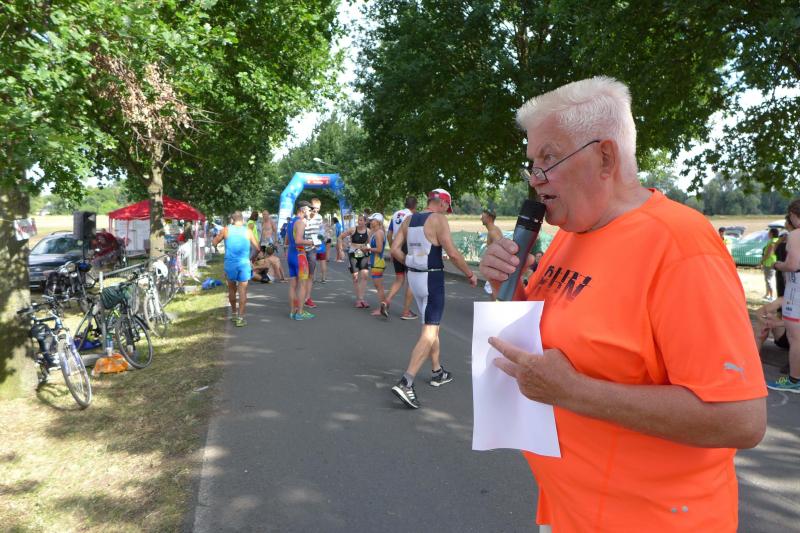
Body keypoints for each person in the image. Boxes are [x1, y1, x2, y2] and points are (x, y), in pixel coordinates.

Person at [479, 77, 766, 531]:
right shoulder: (570, 233)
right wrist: (505, 284)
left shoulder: (680, 245)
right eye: (532, 163)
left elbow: (741, 420)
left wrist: (575, 392)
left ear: (606, 157)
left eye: (549, 159)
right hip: (566, 511)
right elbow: (544, 338)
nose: (535, 178)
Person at [390, 188, 478, 409]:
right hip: (432, 279)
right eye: (448, 208)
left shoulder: (409, 219)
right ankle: (406, 382)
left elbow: (394, 249)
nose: (447, 212)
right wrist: (470, 274)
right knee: (429, 331)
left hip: (415, 278)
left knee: (431, 326)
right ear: (443, 204)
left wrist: (410, 261)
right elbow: (453, 254)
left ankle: (437, 371)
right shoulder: (438, 219)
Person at [770, 199, 800, 393]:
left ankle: (794, 379)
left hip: (796, 290)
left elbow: (793, 265)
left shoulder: (796, 234)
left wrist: (778, 265)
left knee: (795, 337)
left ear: (794, 215)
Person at [212, 211, 260, 327]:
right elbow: (258, 248)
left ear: (232, 220)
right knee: (243, 291)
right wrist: (251, 258)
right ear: (242, 220)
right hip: (244, 263)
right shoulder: (248, 231)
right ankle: (240, 318)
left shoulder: (226, 230)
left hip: (230, 264)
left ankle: (233, 314)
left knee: (231, 289)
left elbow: (214, 242)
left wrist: (218, 246)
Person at [381, 196, 418, 320]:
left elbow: (389, 234)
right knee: (411, 281)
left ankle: (386, 301)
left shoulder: (396, 214)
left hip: (396, 246)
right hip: (408, 247)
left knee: (399, 279)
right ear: (415, 206)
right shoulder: (413, 216)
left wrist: (393, 249)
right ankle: (406, 312)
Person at [286, 202, 315, 320]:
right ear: (303, 210)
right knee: (302, 285)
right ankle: (300, 313)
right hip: (300, 256)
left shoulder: (290, 222)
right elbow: (298, 240)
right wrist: (312, 242)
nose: (310, 212)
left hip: (291, 255)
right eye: (309, 210)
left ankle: (292, 311)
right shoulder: (300, 222)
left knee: (293, 285)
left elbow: (287, 241)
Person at [341, 214, 371, 308]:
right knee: (355, 277)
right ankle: (359, 299)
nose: (359, 222)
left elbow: (369, 243)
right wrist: (341, 250)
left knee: (365, 276)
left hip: (363, 253)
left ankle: (361, 299)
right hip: (353, 253)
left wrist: (369, 252)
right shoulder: (353, 230)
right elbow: (340, 237)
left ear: (365, 222)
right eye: (359, 220)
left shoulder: (368, 231)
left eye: (361, 220)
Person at [303, 197, 323, 308]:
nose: (316, 210)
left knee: (310, 274)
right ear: (310, 207)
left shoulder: (319, 218)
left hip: (312, 249)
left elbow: (320, 232)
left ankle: (307, 298)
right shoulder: (304, 217)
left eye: (318, 208)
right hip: (301, 249)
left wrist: (319, 241)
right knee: (301, 275)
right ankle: (299, 297)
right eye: (314, 208)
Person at [366, 213, 387, 316]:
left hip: (378, 262)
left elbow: (379, 249)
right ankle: (384, 306)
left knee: (379, 287)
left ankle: (382, 308)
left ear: (378, 222)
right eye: (370, 220)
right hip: (376, 262)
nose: (370, 222)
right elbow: (370, 243)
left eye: (372, 220)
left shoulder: (379, 233)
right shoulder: (376, 232)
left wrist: (367, 249)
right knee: (379, 286)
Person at [481, 208, 503, 300]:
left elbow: (500, 248)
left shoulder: (493, 232)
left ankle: (496, 308)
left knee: (493, 290)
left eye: (483, 217)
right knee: (493, 290)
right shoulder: (493, 230)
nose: (481, 219)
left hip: (496, 267)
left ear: (489, 218)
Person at [760, 227, 779, 301]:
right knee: (767, 279)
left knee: (769, 280)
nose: (768, 234)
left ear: (771, 233)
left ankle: (771, 296)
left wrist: (761, 261)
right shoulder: (776, 240)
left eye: (769, 232)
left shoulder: (772, 242)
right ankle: (767, 294)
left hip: (769, 263)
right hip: (771, 262)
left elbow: (768, 254)